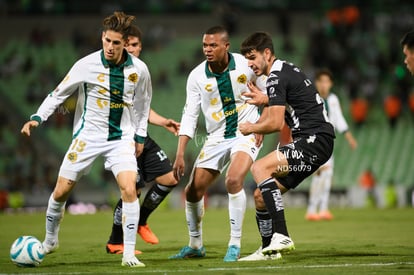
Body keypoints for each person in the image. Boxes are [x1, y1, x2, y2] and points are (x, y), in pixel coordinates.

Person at [20, 11, 152, 268]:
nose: (110, 47)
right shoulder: (86, 65)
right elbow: (58, 93)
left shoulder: (139, 70)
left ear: (125, 43)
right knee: (61, 191)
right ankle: (50, 241)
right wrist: (38, 117)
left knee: (129, 188)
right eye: (107, 41)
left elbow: (143, 104)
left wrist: (139, 136)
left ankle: (128, 253)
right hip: (88, 136)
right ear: (102, 37)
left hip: (120, 137)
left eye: (116, 42)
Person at [169, 26, 267, 262]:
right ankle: (195, 244)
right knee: (192, 191)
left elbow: (268, 92)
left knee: (233, 180)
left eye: (213, 45)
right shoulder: (196, 76)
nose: (208, 50)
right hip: (216, 136)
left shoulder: (246, 64)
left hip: (246, 131)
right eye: (205, 45)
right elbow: (190, 115)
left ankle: (234, 244)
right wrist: (180, 152)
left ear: (226, 46)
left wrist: (262, 123)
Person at [238, 32, 335, 261]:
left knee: (259, 168)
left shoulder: (275, 76)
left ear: (268, 53)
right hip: (317, 143)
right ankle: (268, 251)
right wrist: (266, 101)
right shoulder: (284, 70)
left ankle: (282, 235)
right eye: (247, 60)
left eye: (253, 57)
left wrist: (253, 127)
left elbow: (275, 122)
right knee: (260, 195)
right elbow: (290, 101)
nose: (250, 64)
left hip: (313, 140)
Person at [106, 24, 180, 254]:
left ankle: (141, 221)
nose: (134, 49)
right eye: (129, 45)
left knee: (170, 178)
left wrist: (164, 121)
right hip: (120, 140)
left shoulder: (139, 72)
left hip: (140, 137)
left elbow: (142, 109)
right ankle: (115, 242)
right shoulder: (111, 72)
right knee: (132, 190)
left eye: (136, 45)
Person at [305, 69, 357, 221]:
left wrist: (349, 136)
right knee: (319, 174)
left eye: (326, 82)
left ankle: (323, 209)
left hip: (328, 142)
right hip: (315, 141)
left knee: (327, 175)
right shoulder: (312, 98)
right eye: (321, 81)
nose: (323, 85)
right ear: (316, 83)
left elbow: (339, 119)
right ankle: (312, 209)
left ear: (331, 84)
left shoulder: (333, 99)